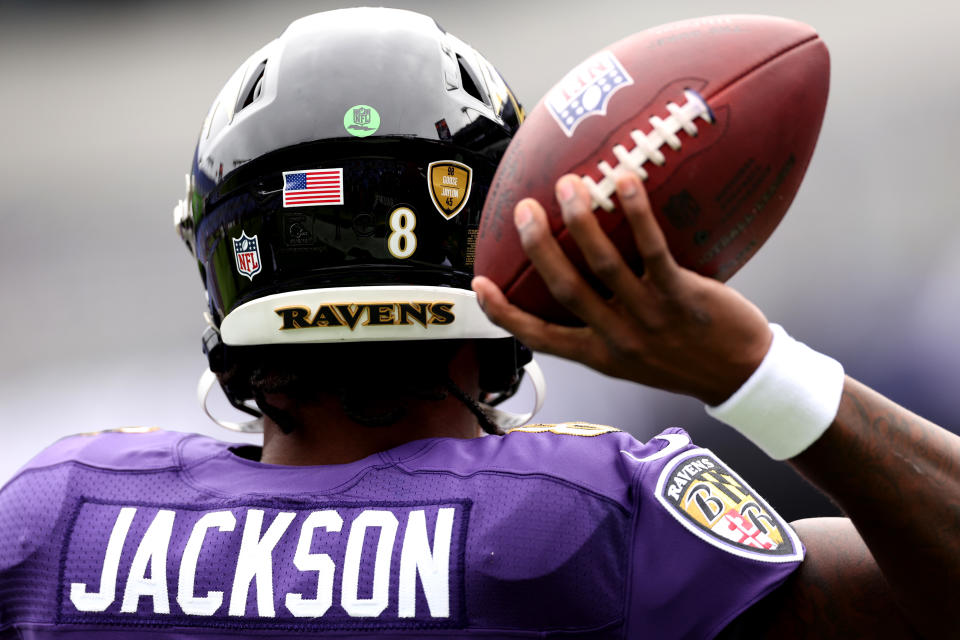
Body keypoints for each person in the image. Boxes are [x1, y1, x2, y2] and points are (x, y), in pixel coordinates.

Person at [0, 7, 955, 639]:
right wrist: (750, 368)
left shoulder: (55, 520)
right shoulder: (589, 522)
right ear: (505, 244)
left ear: (222, 255)